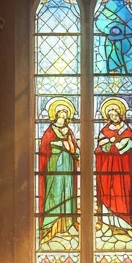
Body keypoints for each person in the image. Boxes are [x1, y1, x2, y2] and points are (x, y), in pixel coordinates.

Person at [38, 98, 79, 245]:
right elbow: (44, 147)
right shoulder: (50, 130)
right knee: (54, 193)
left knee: (68, 192)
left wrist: (74, 150)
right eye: (60, 115)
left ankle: (68, 224)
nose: (62, 118)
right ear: (55, 116)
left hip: (68, 164)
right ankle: (51, 226)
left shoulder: (69, 131)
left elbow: (74, 147)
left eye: (64, 116)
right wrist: (60, 144)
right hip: (54, 165)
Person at [94, 99, 132, 239]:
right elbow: (99, 149)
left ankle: (126, 226)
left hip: (121, 170)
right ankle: (108, 225)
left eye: (115, 115)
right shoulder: (104, 130)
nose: (113, 117)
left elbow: (129, 146)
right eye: (111, 115)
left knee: (121, 194)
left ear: (120, 114)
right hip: (107, 168)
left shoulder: (127, 130)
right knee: (107, 195)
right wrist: (109, 146)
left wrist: (114, 146)